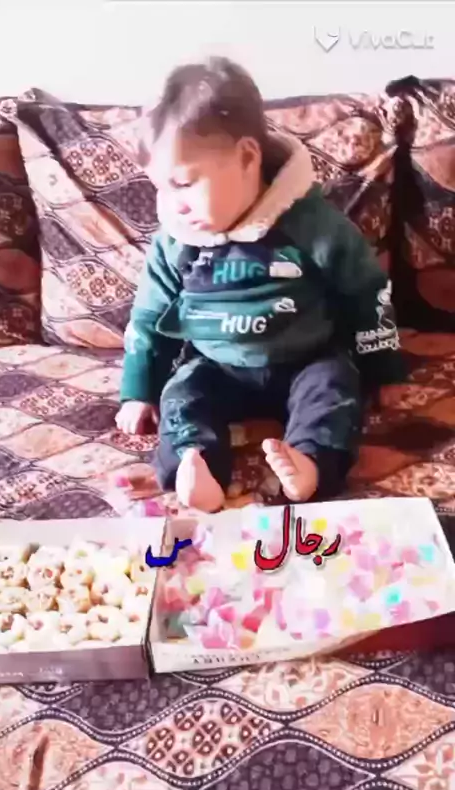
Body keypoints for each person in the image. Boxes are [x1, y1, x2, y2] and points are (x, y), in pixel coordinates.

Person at [116, 56, 404, 513]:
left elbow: (366, 294)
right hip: (217, 366)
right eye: (160, 188)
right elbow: (149, 317)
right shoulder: (175, 241)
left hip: (307, 360)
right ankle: (196, 462)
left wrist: (383, 369)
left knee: (336, 387)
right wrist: (138, 390)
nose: (172, 205)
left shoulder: (315, 226)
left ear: (248, 157)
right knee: (183, 395)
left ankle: (311, 464)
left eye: (183, 183)